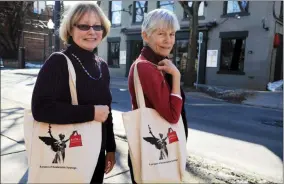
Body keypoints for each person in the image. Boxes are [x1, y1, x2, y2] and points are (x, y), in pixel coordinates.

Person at [31, 2, 116, 183]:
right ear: (70, 29)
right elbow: (40, 108)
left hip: (96, 154)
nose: (92, 31)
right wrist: (91, 112)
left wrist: (110, 148)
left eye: (97, 26)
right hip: (69, 156)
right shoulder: (58, 62)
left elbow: (107, 112)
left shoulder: (102, 66)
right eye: (84, 26)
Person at [127, 9, 189, 183]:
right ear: (145, 36)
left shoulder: (158, 64)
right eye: (161, 33)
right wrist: (176, 77)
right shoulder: (146, 67)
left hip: (158, 153)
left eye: (172, 34)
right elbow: (172, 115)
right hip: (152, 156)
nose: (168, 40)